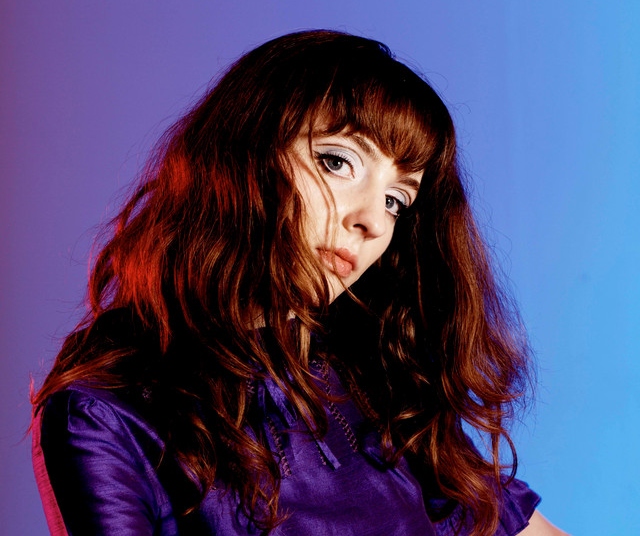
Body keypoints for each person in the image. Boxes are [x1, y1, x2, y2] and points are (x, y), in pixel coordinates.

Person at [31, 30, 566, 536]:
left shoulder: (385, 384)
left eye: (395, 200)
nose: (372, 221)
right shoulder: (108, 411)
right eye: (337, 162)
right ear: (242, 155)